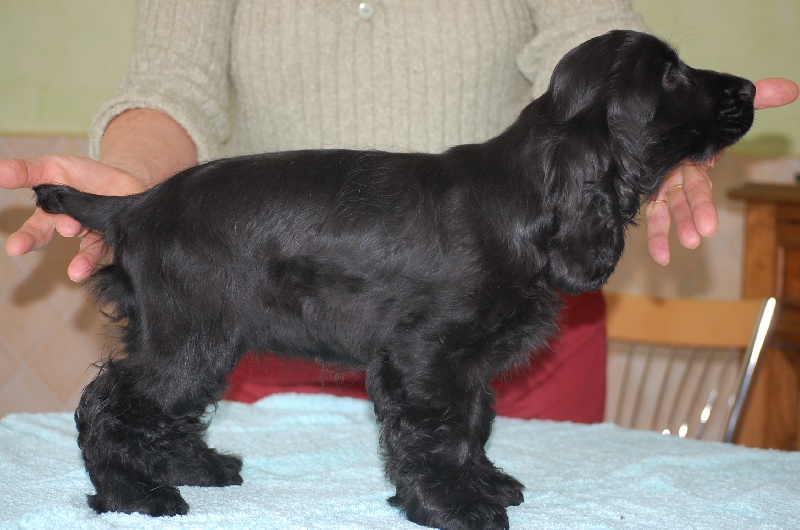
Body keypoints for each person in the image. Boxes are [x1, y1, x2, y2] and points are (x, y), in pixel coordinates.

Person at [2, 1, 797, 423]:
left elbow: (590, 42)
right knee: (187, 394)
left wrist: (648, 130)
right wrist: (136, 188)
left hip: (517, 307)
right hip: (271, 298)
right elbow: (174, 82)